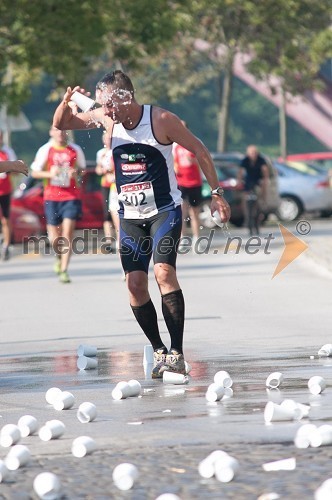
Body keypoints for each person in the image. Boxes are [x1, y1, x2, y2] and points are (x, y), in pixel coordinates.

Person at [53, 70, 230, 376]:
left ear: (126, 97)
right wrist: (66, 103)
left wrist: (216, 194)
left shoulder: (161, 120)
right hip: (130, 217)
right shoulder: (109, 119)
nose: (105, 113)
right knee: (135, 285)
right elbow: (62, 123)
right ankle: (159, 350)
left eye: (109, 106)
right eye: (102, 107)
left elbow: (199, 149)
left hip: (165, 210)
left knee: (163, 272)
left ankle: (177, 352)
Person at [31, 126, 86, 283]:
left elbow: (82, 169)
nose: (61, 134)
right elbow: (34, 172)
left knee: (67, 233)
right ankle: (58, 255)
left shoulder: (75, 149)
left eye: (63, 131)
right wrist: (50, 173)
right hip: (52, 197)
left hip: (71, 196)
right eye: (57, 131)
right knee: (55, 237)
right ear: (51, 133)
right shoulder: (45, 150)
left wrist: (76, 173)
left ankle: (64, 270)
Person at [173, 121, 203, 251]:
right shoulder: (174, 145)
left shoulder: (194, 142)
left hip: (195, 182)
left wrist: (194, 161)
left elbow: (203, 159)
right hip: (181, 182)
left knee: (194, 212)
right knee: (181, 211)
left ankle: (197, 238)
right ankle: (183, 238)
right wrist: (175, 168)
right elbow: (171, 160)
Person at [0, 131, 27, 261]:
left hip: (4, 190)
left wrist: (12, 167)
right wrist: (12, 165)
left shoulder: (7, 151)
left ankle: (6, 245)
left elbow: (16, 172)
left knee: (5, 219)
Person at [95, 131, 119, 251]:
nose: (107, 140)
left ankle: (120, 237)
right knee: (107, 212)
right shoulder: (101, 153)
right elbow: (98, 169)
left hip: (116, 183)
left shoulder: (117, 150)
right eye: (105, 138)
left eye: (109, 138)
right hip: (106, 183)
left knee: (117, 211)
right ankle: (109, 240)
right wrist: (104, 170)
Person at [237, 145, 269, 236]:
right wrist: (239, 181)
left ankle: (257, 224)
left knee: (258, 204)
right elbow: (240, 171)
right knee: (247, 204)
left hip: (258, 183)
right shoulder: (245, 160)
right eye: (251, 153)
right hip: (248, 184)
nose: (253, 155)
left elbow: (265, 171)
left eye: (254, 153)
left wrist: (265, 182)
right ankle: (249, 223)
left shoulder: (261, 160)